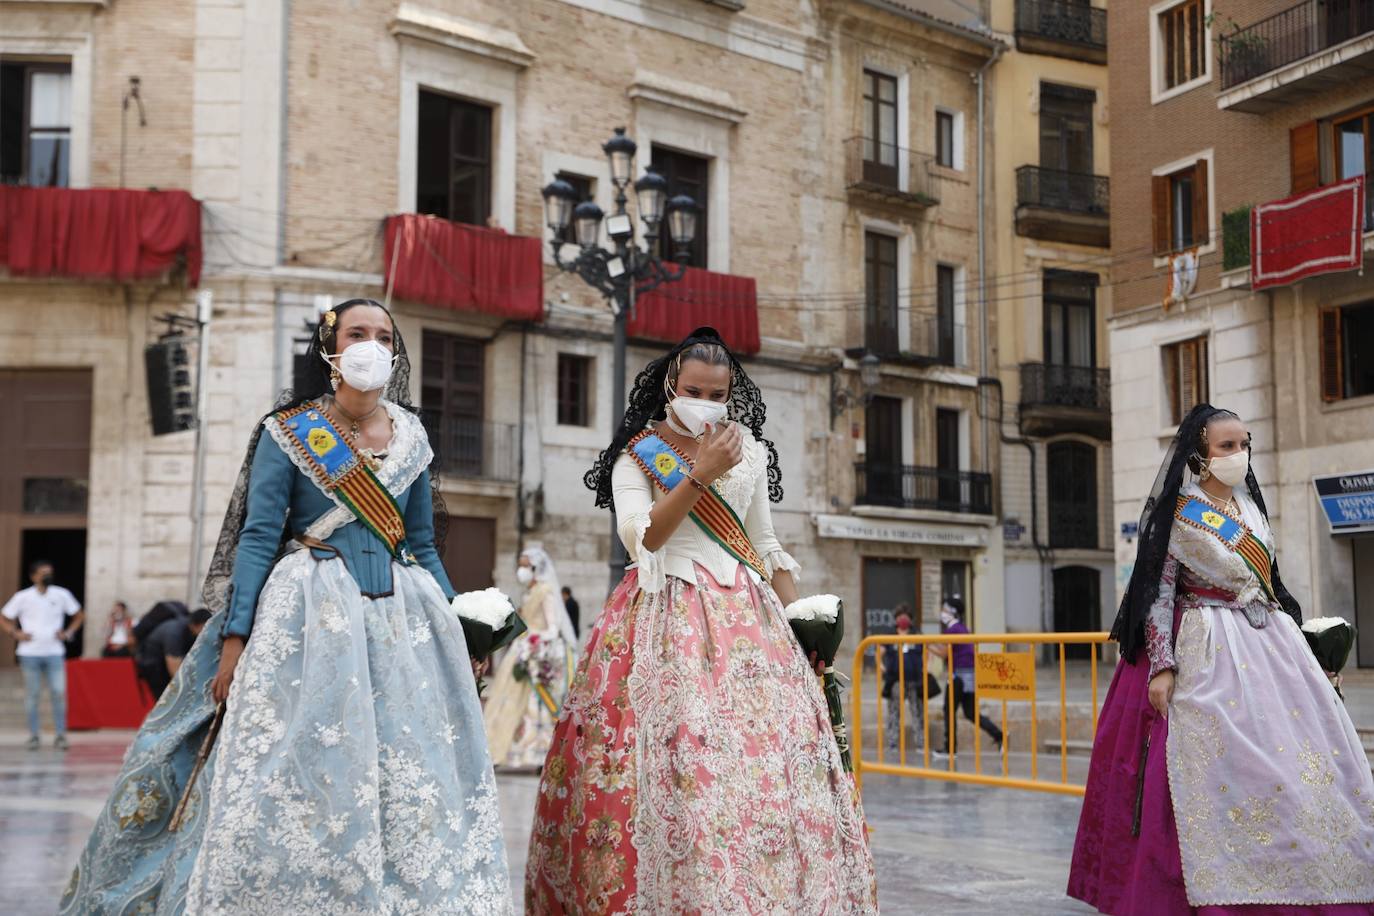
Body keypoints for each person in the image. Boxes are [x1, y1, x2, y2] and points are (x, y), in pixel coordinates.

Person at [62, 299, 512, 914]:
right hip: (311, 610)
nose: (371, 345)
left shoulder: (412, 435)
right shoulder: (291, 430)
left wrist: (462, 626)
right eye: (358, 333)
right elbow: (257, 535)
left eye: (383, 336)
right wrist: (234, 640)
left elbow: (423, 544)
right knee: (305, 765)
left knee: (412, 768)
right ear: (330, 346)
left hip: (404, 617)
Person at [525, 327, 877, 914]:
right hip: (663, 615)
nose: (707, 404)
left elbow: (763, 543)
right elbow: (646, 539)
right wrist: (699, 473)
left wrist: (801, 620)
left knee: (761, 767)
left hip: (750, 618)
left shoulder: (750, 451)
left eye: (718, 394)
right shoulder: (637, 455)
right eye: (695, 390)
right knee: (678, 754)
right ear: (670, 384)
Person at [1068, 405, 1374, 914]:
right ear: (1198, 456)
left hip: (1270, 643)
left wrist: (1310, 651)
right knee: (1212, 765)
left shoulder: (1252, 510)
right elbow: (1159, 593)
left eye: (1243, 444)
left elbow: (1270, 585)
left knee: (1302, 767)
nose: (1239, 455)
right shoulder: (1179, 514)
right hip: (1205, 645)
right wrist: (1163, 665)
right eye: (1226, 447)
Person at [483, 547, 577, 770]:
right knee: (506, 700)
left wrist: (533, 642)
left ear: (536, 568)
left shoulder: (545, 591)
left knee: (533, 704)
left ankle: (534, 755)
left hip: (534, 652)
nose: (521, 570)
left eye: (525, 565)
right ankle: (497, 751)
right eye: (521, 565)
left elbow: (553, 628)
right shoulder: (529, 591)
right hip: (522, 650)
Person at [0, 560, 82, 751]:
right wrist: (15, 633)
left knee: (59, 693)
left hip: (54, 652)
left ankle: (60, 735)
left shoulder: (61, 594)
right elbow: (4, 617)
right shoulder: (23, 597)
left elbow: (78, 615)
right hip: (29, 653)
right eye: (43, 572)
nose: (47, 575)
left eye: (50, 572)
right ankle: (34, 735)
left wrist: (68, 633)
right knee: (33, 695)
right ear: (33, 576)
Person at [931, 597, 1002, 755]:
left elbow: (943, 653)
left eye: (945, 609)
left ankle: (949, 748)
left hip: (958, 675)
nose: (942, 613)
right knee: (970, 712)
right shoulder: (962, 628)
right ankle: (999, 735)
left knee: (949, 710)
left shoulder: (953, 630)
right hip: (969, 675)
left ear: (953, 612)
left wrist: (927, 645)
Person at [882, 610, 932, 755]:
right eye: (900, 617)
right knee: (894, 712)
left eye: (906, 617)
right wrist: (881, 666)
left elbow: (926, 652)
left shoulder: (916, 636)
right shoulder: (890, 636)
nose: (903, 620)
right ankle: (892, 744)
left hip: (914, 681)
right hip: (895, 680)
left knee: (917, 712)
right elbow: (880, 651)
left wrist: (925, 668)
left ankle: (921, 744)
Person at [135, 608, 210, 699]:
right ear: (197, 625)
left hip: (163, 666)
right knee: (163, 699)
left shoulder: (189, 630)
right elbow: (174, 668)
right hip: (154, 668)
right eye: (205, 627)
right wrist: (190, 692)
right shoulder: (174, 632)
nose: (207, 632)